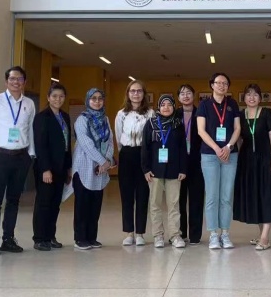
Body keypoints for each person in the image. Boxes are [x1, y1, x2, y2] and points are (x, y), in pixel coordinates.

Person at [0, 65, 36, 255]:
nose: (16, 82)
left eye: (19, 79)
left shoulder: (29, 103)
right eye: (12, 79)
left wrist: (31, 154)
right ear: (6, 82)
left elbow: (30, 129)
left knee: (14, 200)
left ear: (24, 82)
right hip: (0, 156)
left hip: (21, 157)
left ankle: (8, 239)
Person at [234, 84, 271, 250]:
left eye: (255, 94)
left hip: (265, 159)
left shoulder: (267, 114)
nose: (252, 97)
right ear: (244, 98)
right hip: (247, 161)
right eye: (248, 94)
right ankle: (262, 234)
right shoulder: (240, 115)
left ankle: (264, 237)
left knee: (267, 194)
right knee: (255, 196)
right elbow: (239, 139)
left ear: (260, 98)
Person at [196, 73, 241, 249]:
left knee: (226, 196)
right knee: (212, 196)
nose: (222, 85)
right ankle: (213, 234)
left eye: (225, 83)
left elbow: (237, 128)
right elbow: (201, 130)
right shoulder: (204, 105)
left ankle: (225, 233)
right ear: (212, 85)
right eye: (218, 83)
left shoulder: (232, 104)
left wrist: (228, 147)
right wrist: (216, 148)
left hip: (230, 154)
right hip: (209, 155)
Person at [142, 95, 188, 248]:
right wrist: (146, 169)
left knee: (173, 204)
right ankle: (158, 235)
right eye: (163, 104)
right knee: (155, 204)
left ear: (174, 107)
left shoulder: (178, 124)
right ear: (158, 107)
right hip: (154, 171)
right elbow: (145, 147)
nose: (166, 107)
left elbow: (182, 148)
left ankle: (175, 235)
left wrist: (183, 169)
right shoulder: (150, 124)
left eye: (169, 104)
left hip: (174, 171)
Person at [31, 83, 71, 251]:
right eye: (54, 96)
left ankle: (50, 236)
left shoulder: (65, 117)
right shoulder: (42, 117)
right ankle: (40, 238)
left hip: (61, 167)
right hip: (46, 168)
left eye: (61, 96)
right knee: (44, 203)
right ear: (48, 98)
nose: (58, 99)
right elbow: (40, 145)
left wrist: (69, 167)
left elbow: (67, 144)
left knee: (55, 203)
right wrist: (45, 169)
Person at [72, 88, 113, 250]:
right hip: (84, 165)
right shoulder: (82, 119)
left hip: (100, 169)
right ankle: (80, 238)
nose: (97, 101)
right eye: (93, 98)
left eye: (100, 98)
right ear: (87, 100)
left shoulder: (105, 119)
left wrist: (107, 160)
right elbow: (86, 144)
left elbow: (110, 141)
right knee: (82, 205)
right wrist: (102, 161)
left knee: (95, 205)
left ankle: (91, 237)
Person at [115, 80, 154, 246]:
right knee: (126, 196)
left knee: (143, 195)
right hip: (127, 155)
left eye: (139, 91)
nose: (136, 94)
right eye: (132, 91)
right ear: (128, 94)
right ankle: (129, 233)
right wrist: (124, 152)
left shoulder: (150, 113)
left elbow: (152, 137)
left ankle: (140, 234)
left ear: (144, 94)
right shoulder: (121, 114)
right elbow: (118, 137)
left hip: (144, 156)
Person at [176, 84, 204, 245]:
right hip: (178, 162)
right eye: (182, 93)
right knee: (178, 200)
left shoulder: (201, 113)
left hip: (197, 161)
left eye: (188, 93)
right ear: (178, 97)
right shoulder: (174, 114)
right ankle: (180, 233)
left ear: (194, 95)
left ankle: (195, 235)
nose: (185, 96)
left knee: (196, 199)